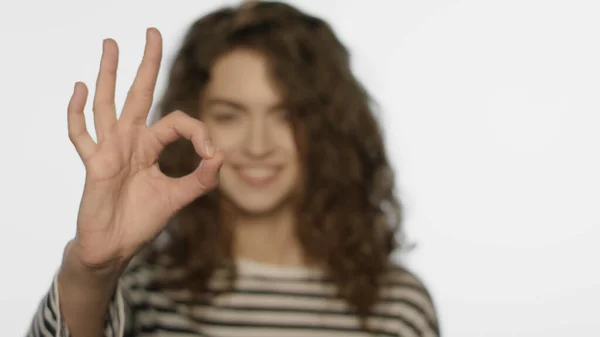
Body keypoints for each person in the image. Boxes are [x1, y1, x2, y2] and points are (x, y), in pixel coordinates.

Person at [27, 1, 439, 336]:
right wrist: (88, 272)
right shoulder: (142, 292)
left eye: (286, 116)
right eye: (230, 115)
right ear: (192, 122)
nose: (258, 146)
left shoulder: (397, 307)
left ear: (328, 130)